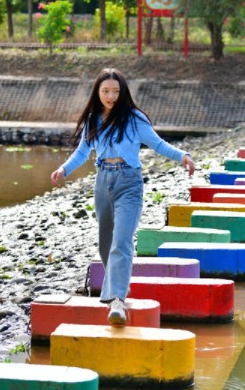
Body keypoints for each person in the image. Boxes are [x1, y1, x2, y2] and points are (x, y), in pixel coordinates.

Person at [51, 68, 195, 327]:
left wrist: (183, 156)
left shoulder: (135, 118)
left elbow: (158, 144)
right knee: (106, 243)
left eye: (116, 91)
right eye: (106, 91)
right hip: (103, 182)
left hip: (129, 182)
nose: (111, 96)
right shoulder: (94, 119)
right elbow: (83, 153)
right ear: (97, 92)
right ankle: (117, 290)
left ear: (123, 92)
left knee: (122, 242)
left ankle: (117, 300)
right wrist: (63, 169)